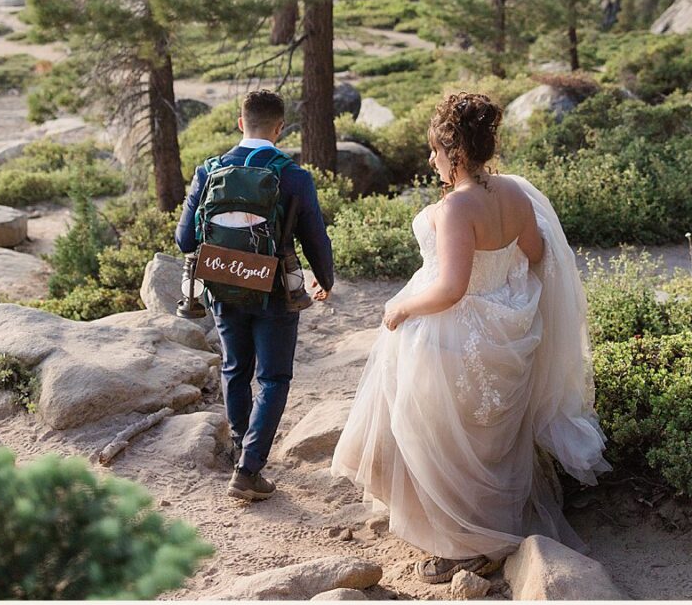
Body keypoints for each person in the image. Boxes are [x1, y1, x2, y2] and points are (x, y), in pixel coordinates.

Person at [330, 91, 610, 583]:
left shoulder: (458, 207)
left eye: (435, 150)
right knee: (487, 442)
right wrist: (503, 291)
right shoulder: (516, 194)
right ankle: (483, 526)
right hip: (504, 330)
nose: (430, 159)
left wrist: (399, 307)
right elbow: (538, 250)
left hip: (455, 336)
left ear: (454, 151)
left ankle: (462, 543)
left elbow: (452, 288)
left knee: (438, 436)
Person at [176, 89, 335, 502]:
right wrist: (325, 278)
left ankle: (240, 450)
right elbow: (314, 236)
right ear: (280, 128)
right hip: (274, 291)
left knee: (234, 369)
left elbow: (185, 239)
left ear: (239, 122)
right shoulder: (294, 176)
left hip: (223, 285)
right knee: (274, 377)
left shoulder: (208, 171)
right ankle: (249, 469)